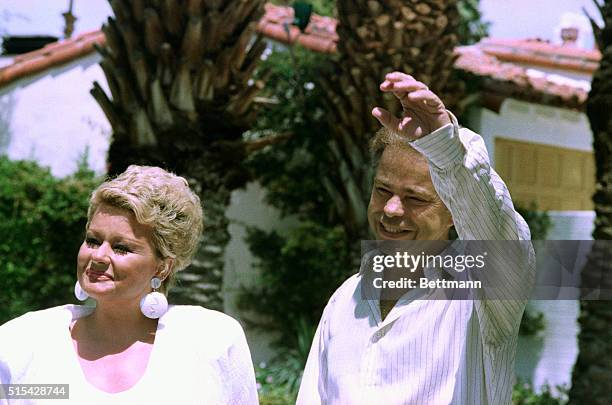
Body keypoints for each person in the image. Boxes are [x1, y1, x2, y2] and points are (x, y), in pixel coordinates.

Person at [297, 72, 535, 405]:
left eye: (415, 199)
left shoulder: (482, 292)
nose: (392, 210)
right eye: (382, 191)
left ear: (454, 212)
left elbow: (500, 232)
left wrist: (447, 149)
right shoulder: (345, 299)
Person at [0, 165, 259, 405]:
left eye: (121, 248)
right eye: (92, 240)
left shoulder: (211, 340)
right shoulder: (24, 342)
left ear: (163, 266)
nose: (98, 256)